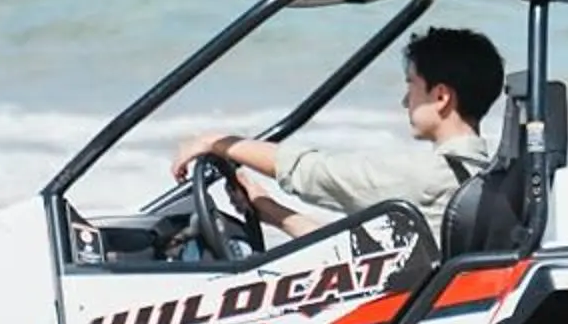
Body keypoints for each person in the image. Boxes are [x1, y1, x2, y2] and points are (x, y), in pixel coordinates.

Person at [172, 25, 506, 240]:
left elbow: (314, 172)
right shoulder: (481, 176)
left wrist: (215, 142)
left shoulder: (429, 176)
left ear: (441, 96)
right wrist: (270, 210)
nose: (405, 100)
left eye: (412, 86)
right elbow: (354, 250)